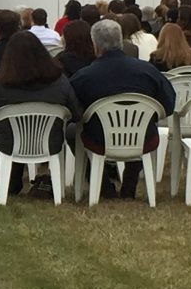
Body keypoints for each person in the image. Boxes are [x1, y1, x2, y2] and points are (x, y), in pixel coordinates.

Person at [70, 20, 176, 199]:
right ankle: (129, 183)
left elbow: (73, 111)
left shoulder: (84, 76)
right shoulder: (148, 71)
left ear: (95, 45)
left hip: (99, 139)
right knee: (144, 129)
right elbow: (169, 104)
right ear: (121, 41)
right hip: (142, 138)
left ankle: (103, 185)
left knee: (73, 132)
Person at [0, 31, 82, 196]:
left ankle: (11, 181)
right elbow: (76, 113)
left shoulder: (1, 78)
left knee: (11, 129)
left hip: (8, 142)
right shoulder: (59, 79)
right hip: (49, 141)